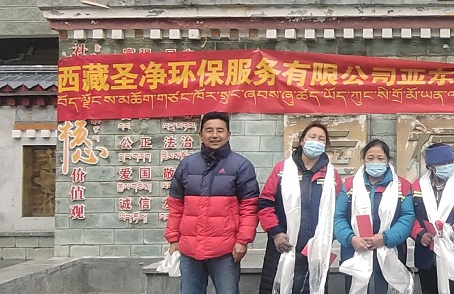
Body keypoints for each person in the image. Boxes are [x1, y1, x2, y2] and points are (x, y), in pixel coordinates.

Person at [164, 112, 260, 294]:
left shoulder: (241, 166)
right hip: (189, 248)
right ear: (201, 134)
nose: (214, 135)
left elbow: (249, 208)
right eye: (209, 130)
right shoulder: (187, 165)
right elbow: (176, 206)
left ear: (228, 134)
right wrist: (173, 239)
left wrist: (243, 241)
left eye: (220, 130)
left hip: (226, 250)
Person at [258, 120, 342, 294]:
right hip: (282, 245)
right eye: (312, 137)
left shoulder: (332, 176)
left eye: (321, 139)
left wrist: (326, 239)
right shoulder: (282, 169)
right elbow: (265, 203)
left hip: (315, 250)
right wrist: (276, 232)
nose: (316, 141)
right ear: (302, 141)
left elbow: (339, 212)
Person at [335, 139, 416, 294]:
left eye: (380, 158)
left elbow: (407, 217)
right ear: (364, 160)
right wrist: (351, 238)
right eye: (370, 158)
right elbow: (338, 217)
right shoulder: (350, 185)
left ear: (387, 161)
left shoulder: (402, 186)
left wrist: (385, 238)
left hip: (390, 249)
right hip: (354, 250)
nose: (375, 162)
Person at [411, 142, 454, 294]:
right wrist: (420, 234)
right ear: (430, 166)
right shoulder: (418, 186)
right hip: (427, 254)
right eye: (442, 164)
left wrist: (452, 231)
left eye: (449, 162)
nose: (447, 166)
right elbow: (410, 216)